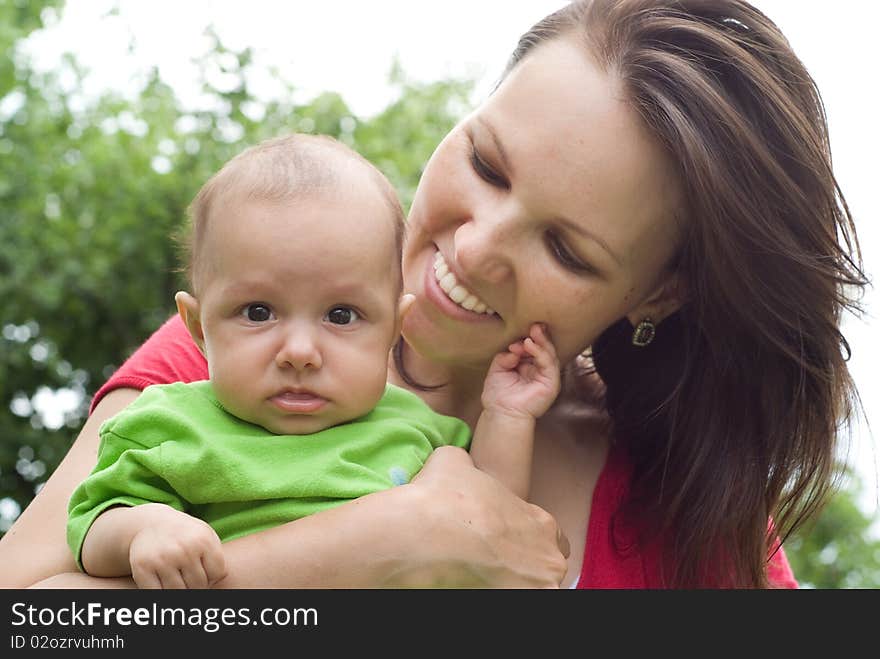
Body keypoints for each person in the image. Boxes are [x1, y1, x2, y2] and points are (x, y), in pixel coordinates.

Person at [1, 0, 866, 588]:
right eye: (486, 163)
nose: (476, 244)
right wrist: (383, 545)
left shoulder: (686, 509)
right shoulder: (246, 351)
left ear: (658, 295)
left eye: (566, 248)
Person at [63, 133, 561, 588]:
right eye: (258, 312)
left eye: (341, 315)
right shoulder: (168, 424)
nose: (299, 352)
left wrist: (508, 416)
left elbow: (494, 523)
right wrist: (143, 530)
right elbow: (90, 523)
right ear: (198, 328)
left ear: (393, 327)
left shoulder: (418, 429)